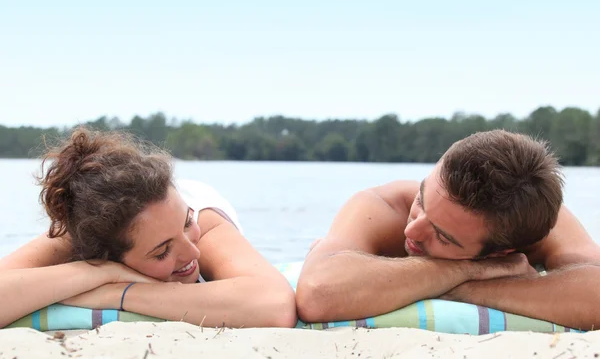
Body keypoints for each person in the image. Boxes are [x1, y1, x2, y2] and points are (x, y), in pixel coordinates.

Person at [296, 129, 600, 330]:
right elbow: (318, 293)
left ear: (503, 251)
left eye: (442, 236)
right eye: (422, 199)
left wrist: (468, 289)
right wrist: (470, 270)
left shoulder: (532, 220)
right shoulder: (385, 206)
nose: (412, 230)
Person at [0, 127, 297, 329]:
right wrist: (99, 272)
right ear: (107, 254)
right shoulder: (86, 233)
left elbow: (274, 304)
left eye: (185, 223)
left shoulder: (203, 219)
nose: (192, 250)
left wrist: (114, 294)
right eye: (162, 251)